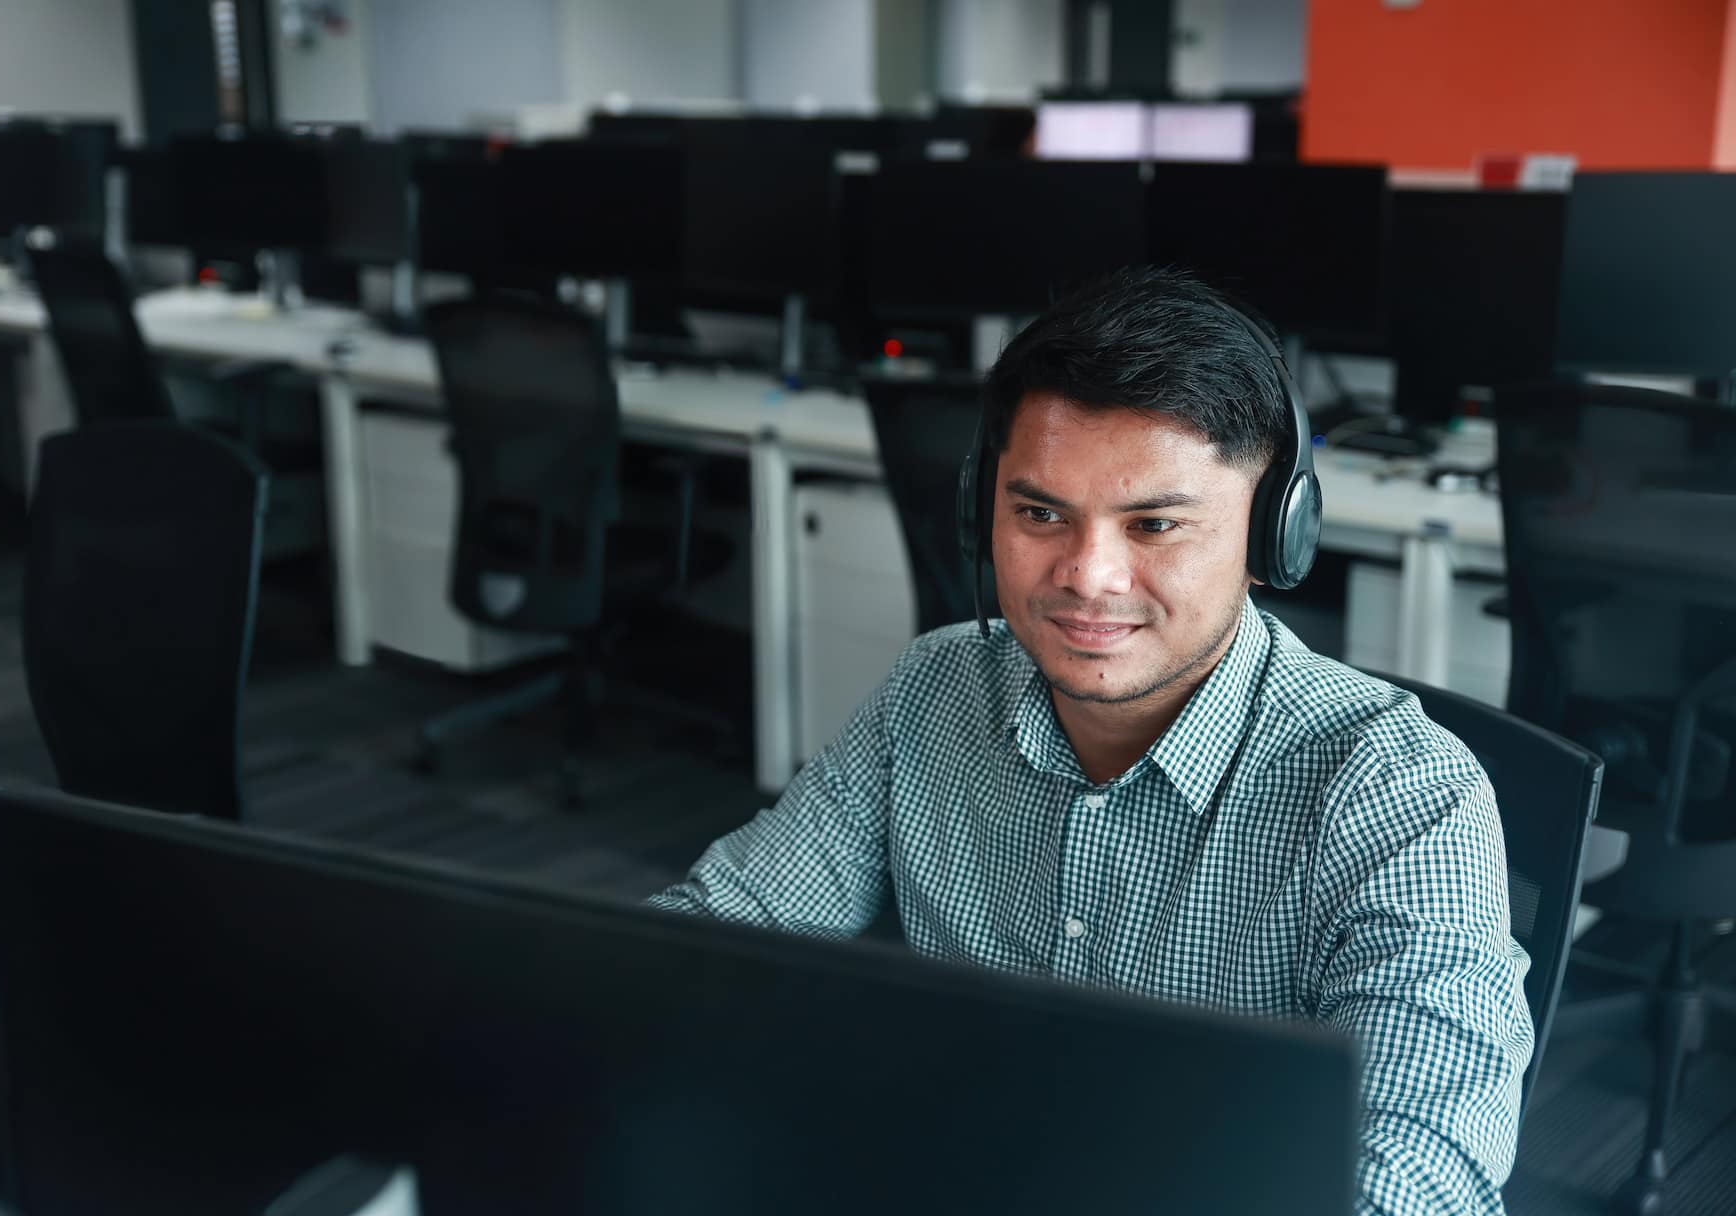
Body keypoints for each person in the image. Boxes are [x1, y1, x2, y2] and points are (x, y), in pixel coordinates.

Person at [648, 267, 1533, 1216]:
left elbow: (1419, 1169)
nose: (1087, 576)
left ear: (1274, 534)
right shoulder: (934, 691)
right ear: (981, 509)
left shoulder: (1400, 792)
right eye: (1040, 514)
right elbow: (723, 932)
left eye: (1154, 524)